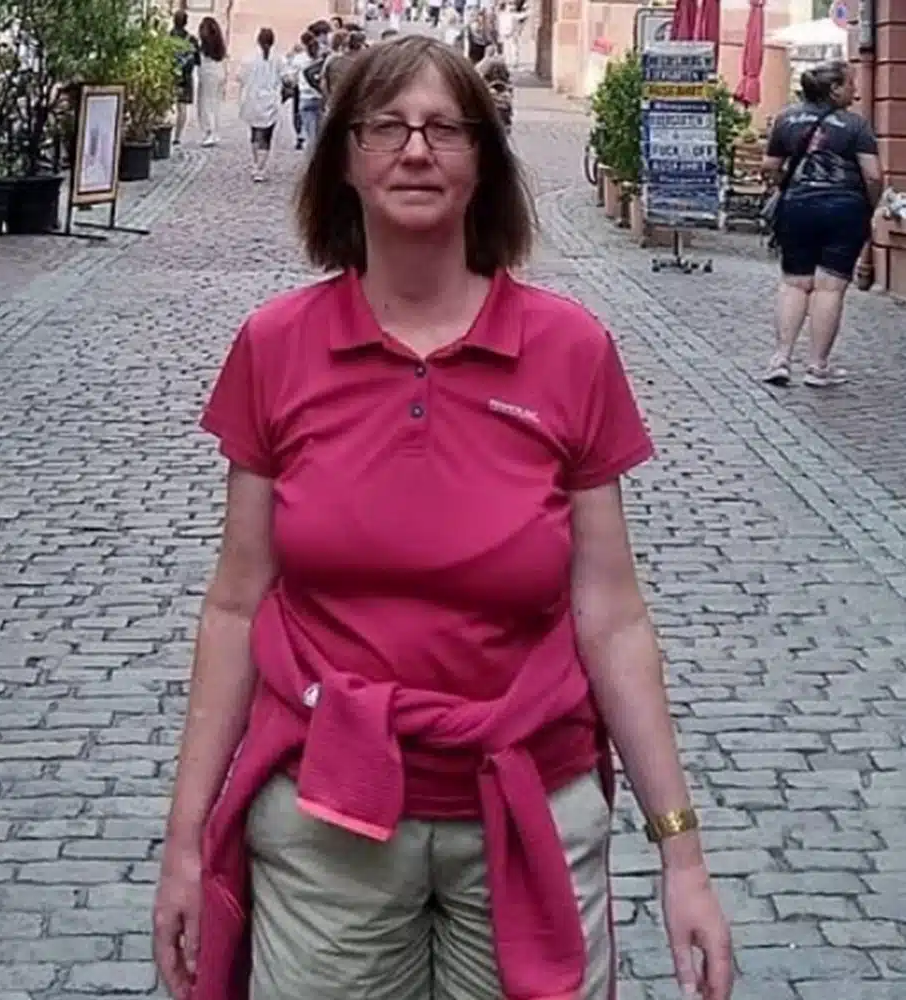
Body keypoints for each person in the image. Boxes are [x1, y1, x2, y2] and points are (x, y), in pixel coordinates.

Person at [154, 33, 735, 1000]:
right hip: (326, 818)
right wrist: (185, 841)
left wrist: (684, 858)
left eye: (445, 129)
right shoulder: (277, 347)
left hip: (532, 810)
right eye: (386, 127)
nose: (416, 151)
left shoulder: (569, 350)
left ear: (483, 162)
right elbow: (235, 605)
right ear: (345, 159)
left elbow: (611, 616)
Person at [761, 60, 882, 388]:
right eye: (851, 83)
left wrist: (786, 186)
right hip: (844, 208)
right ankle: (817, 367)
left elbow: (770, 165)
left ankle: (781, 359)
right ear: (835, 89)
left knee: (794, 283)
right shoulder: (856, 125)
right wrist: (871, 204)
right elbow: (873, 175)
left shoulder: (786, 119)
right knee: (829, 287)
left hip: (798, 207)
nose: (856, 90)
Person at [238, 27, 290, 182]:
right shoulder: (279, 58)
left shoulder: (249, 58)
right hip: (271, 100)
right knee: (266, 136)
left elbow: (240, 76)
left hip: (252, 99)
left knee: (254, 133)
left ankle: (255, 163)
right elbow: (287, 78)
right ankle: (261, 168)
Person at [170, 10, 202, 144]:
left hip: (169, 76)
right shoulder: (192, 40)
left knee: (161, 106)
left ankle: (160, 132)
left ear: (173, 21)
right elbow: (198, 61)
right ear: (186, 22)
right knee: (182, 108)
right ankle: (177, 137)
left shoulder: (168, 38)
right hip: (186, 78)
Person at [196, 16, 228, 146]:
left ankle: (210, 132)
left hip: (208, 75)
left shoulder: (205, 45)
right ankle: (215, 132)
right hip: (219, 72)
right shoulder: (219, 44)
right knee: (215, 104)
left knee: (206, 104)